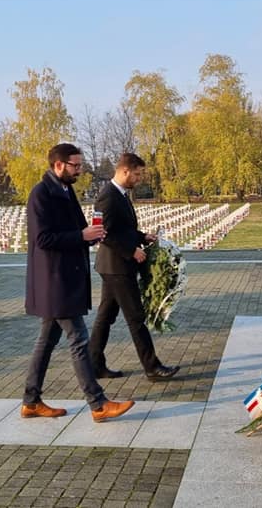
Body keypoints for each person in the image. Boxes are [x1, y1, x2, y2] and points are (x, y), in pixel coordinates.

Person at [22, 143, 135, 423]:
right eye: (75, 166)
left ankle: (31, 401)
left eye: (80, 166)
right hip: (54, 281)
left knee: (46, 342)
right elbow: (43, 239)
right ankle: (98, 404)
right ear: (58, 165)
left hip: (65, 277)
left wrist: (92, 234)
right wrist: (80, 237)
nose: (79, 171)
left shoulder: (65, 189)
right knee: (79, 339)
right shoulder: (41, 194)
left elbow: (76, 229)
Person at [88, 153, 180, 382]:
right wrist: (131, 250)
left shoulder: (120, 195)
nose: (139, 179)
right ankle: (152, 368)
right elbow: (104, 233)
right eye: (137, 174)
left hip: (114, 265)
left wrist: (141, 236)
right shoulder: (107, 196)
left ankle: (94, 365)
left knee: (106, 316)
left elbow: (122, 228)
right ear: (125, 171)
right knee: (135, 317)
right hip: (116, 266)